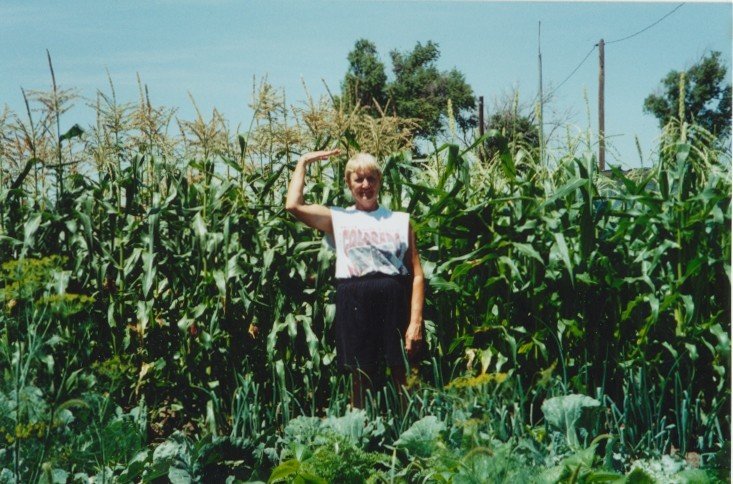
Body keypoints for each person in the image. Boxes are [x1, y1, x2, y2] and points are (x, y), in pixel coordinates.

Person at [285, 149, 425, 408]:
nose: (365, 185)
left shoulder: (400, 220)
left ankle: (414, 432)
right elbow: (293, 205)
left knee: (402, 372)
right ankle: (362, 436)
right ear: (349, 183)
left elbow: (417, 273)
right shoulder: (338, 218)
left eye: (371, 179)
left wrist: (415, 322)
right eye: (358, 179)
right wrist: (303, 161)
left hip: (394, 299)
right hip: (354, 299)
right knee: (360, 377)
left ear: (379, 181)